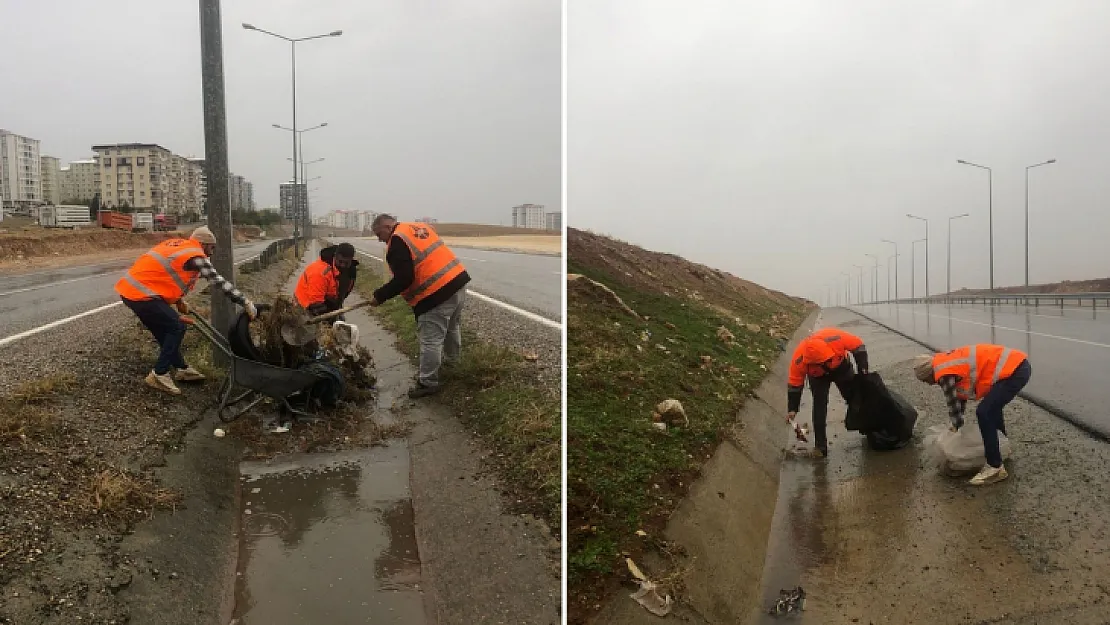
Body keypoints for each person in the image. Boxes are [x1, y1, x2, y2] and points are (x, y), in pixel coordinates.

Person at [115, 226, 257, 396]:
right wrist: (244, 301)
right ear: (204, 244)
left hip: (132, 291)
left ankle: (181, 368)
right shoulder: (196, 255)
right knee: (176, 327)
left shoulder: (178, 246)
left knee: (164, 331)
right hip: (143, 295)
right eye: (211, 248)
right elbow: (218, 282)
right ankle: (159, 374)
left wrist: (178, 300)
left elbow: (162, 274)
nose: (211, 253)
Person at [366, 214, 471, 398]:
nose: (379, 239)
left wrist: (379, 296)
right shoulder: (418, 228)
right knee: (452, 328)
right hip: (457, 282)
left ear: (387, 226)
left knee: (431, 339)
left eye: (378, 233)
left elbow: (404, 279)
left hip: (435, 293)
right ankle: (453, 364)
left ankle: (428, 382)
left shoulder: (397, 241)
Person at [913, 344, 1031, 485]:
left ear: (928, 374)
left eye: (925, 380)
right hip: (1017, 365)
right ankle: (1002, 446)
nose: (928, 384)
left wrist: (956, 426)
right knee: (992, 408)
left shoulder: (943, 374)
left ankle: (995, 467)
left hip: (1015, 371)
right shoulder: (945, 363)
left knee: (984, 412)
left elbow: (952, 402)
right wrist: (956, 425)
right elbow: (960, 398)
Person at [786, 327, 870, 457]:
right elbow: (795, 384)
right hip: (817, 378)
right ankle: (820, 447)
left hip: (841, 368)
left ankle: (869, 428)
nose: (827, 363)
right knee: (819, 406)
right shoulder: (799, 360)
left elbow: (858, 346)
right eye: (824, 362)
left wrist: (863, 370)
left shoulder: (835, 337)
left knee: (854, 398)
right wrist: (792, 409)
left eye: (828, 360)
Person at [293, 242, 359, 321]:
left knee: (340, 323)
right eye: (340, 261)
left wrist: (336, 309)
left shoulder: (350, 272)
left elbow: (343, 294)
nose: (343, 265)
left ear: (351, 260)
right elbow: (316, 306)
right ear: (335, 257)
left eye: (346, 263)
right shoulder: (320, 272)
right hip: (305, 307)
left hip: (327, 303)